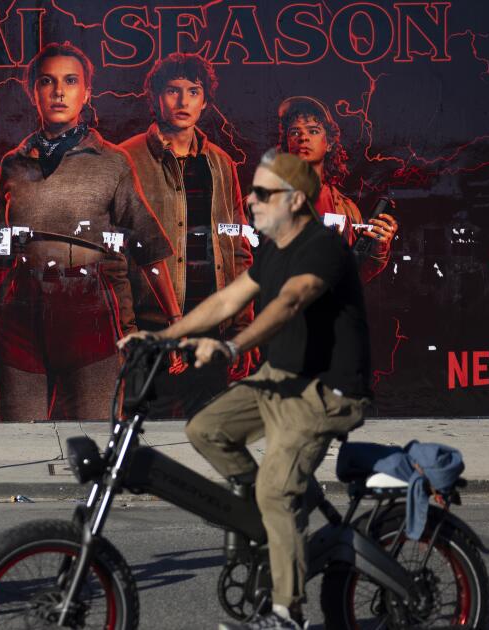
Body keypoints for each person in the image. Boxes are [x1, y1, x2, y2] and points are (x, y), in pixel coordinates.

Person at [121, 149, 372, 630]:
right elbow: (226, 299)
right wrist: (161, 337)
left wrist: (232, 348)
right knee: (206, 429)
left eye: (262, 192)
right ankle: (272, 515)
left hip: (326, 391)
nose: (250, 200)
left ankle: (286, 613)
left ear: (294, 200)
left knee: (275, 494)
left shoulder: (322, 246)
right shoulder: (275, 249)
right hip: (281, 378)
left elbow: (291, 301)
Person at [0, 42, 182, 420]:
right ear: (33, 91)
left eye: (70, 81)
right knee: (20, 439)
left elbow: (148, 244)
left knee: (94, 434)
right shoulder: (13, 163)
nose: (59, 91)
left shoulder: (112, 162)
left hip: (89, 312)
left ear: (86, 92)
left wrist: (174, 320)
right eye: (47, 81)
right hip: (22, 313)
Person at [119, 52, 255, 417]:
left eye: (193, 91)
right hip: (152, 328)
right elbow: (116, 253)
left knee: (208, 429)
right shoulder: (126, 158)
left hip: (213, 325)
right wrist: (128, 330)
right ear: (155, 97)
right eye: (172, 90)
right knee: (149, 432)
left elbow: (238, 247)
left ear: (205, 100)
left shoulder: (221, 163)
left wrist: (243, 327)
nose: (183, 101)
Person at [278, 95, 398, 283]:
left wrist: (379, 247)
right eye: (294, 132)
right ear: (287, 144)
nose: (303, 137)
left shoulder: (346, 209)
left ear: (329, 143)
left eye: (313, 130)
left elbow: (357, 274)